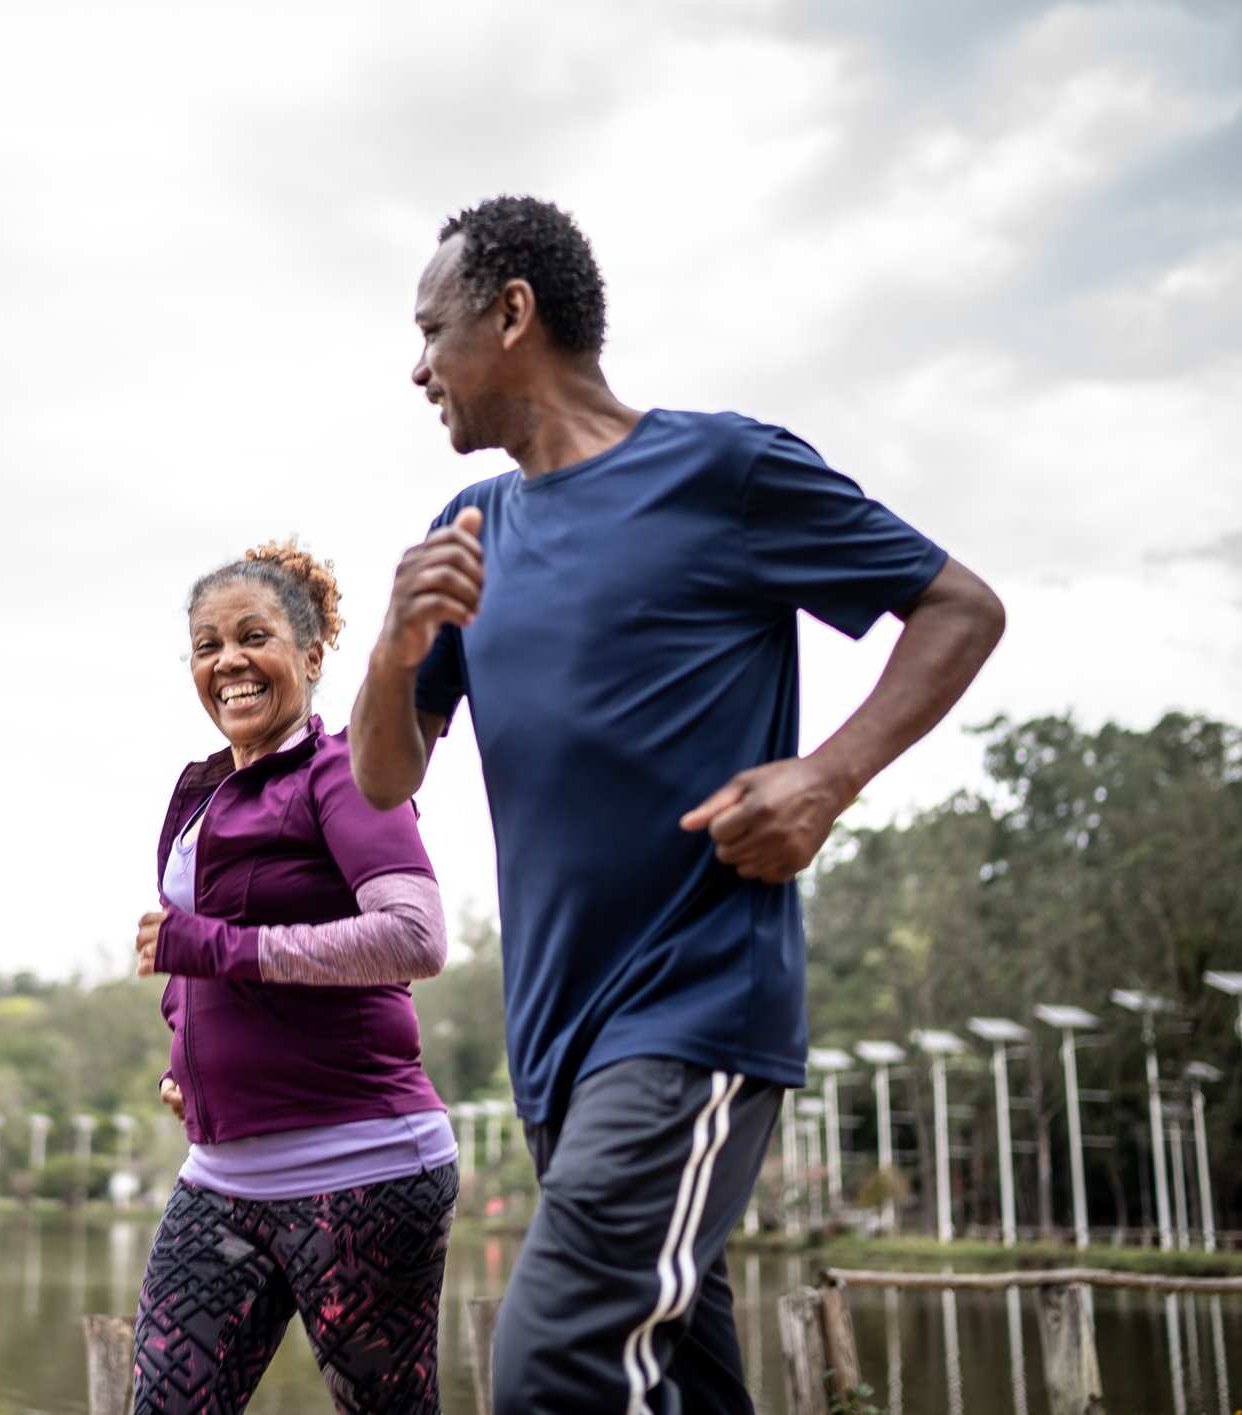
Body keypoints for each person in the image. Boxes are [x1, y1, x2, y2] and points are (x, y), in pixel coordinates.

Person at [350, 196, 1006, 1413]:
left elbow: (960, 606)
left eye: (431, 329)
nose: (416, 365)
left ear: (511, 313)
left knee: (552, 1366)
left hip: (693, 1008)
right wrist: (393, 648)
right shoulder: (470, 530)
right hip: (556, 1044)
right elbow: (384, 777)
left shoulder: (722, 469)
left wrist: (829, 773)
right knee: (683, 1384)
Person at [130, 540, 461, 1415]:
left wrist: (218, 948)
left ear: (312, 657)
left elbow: (415, 936)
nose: (229, 661)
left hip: (364, 1167)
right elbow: (183, 960)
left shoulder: (345, 774)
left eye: (254, 637)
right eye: (207, 646)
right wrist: (184, 1064)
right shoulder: (201, 794)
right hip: (222, 1175)